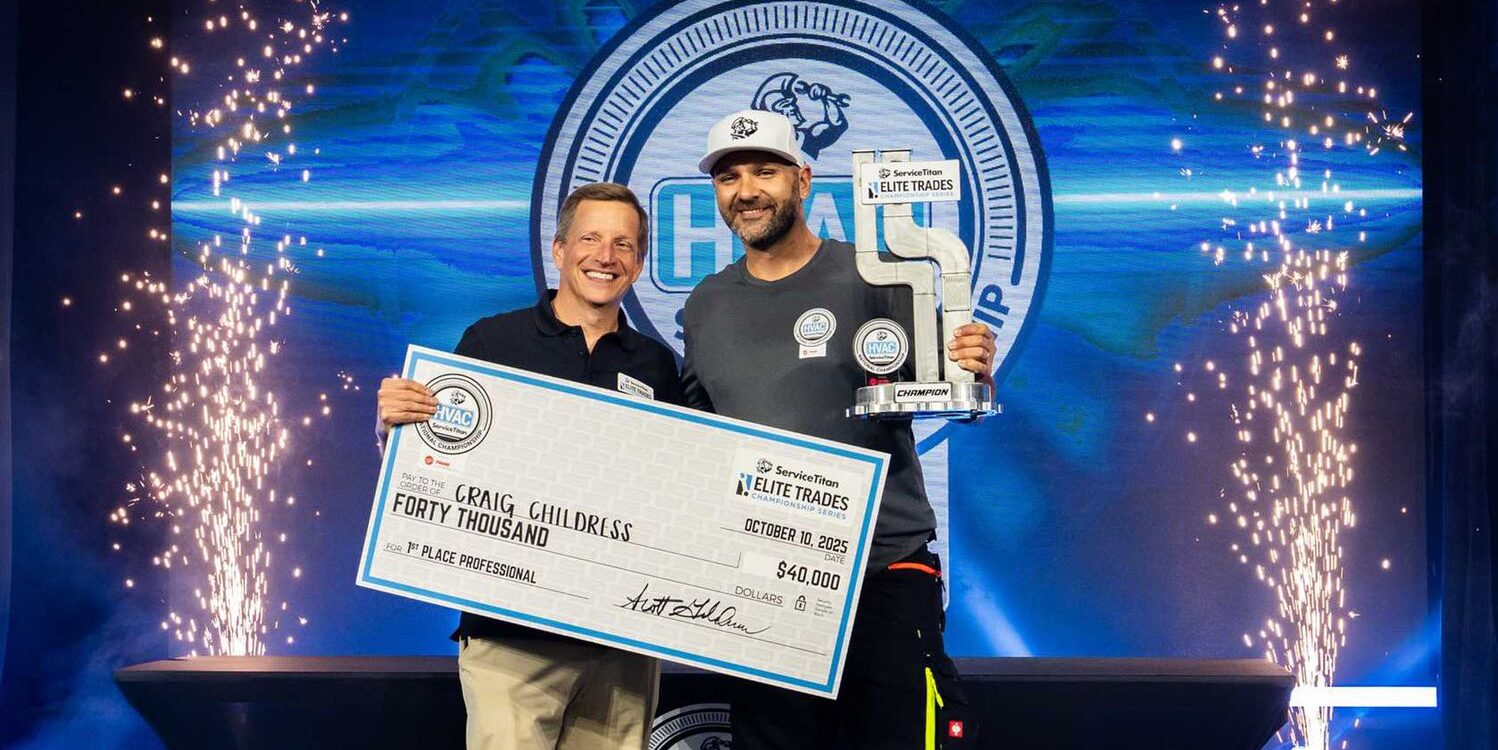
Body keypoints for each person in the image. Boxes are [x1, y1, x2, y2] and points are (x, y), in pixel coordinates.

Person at [681, 109, 997, 749]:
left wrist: (972, 361)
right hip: (764, 579)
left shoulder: (877, 276)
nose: (746, 191)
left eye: (764, 172)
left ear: (803, 180)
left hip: (885, 568)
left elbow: (952, 379)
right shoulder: (706, 304)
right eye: (728, 177)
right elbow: (693, 438)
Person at [376, 182, 683, 749]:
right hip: (511, 640)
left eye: (623, 244)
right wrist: (396, 432)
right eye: (589, 239)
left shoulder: (657, 365)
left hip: (620, 646)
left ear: (639, 263)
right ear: (559, 250)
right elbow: (440, 465)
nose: (606, 256)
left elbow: (676, 494)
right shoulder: (494, 341)